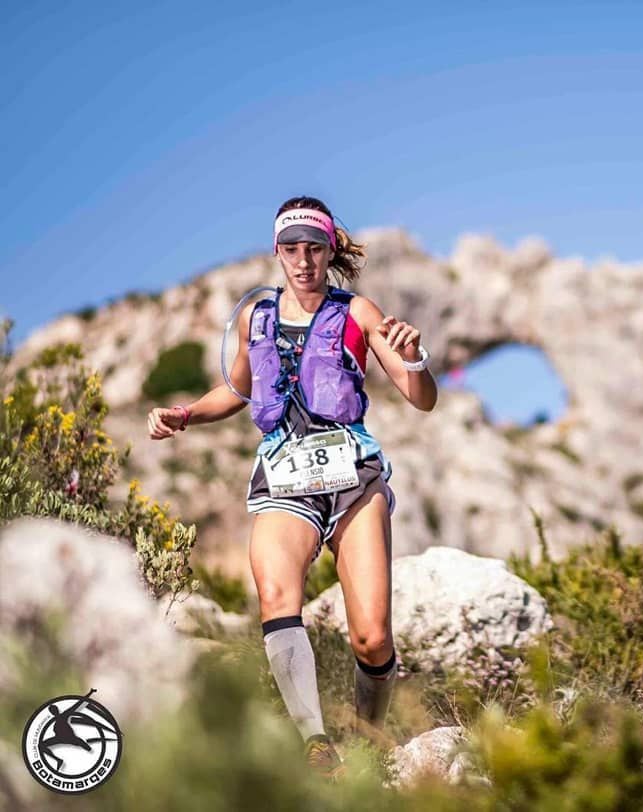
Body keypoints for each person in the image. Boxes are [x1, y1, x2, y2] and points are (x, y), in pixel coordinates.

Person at [146, 196, 437, 781]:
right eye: (291, 249)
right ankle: (317, 745)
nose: (303, 261)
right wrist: (187, 414)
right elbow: (235, 389)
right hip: (284, 475)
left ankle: (368, 739)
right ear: (277, 252)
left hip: (353, 478)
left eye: (314, 248)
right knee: (277, 599)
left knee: (372, 636)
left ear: (329, 250)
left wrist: (415, 359)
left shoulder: (357, 312)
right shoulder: (257, 317)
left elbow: (421, 398)